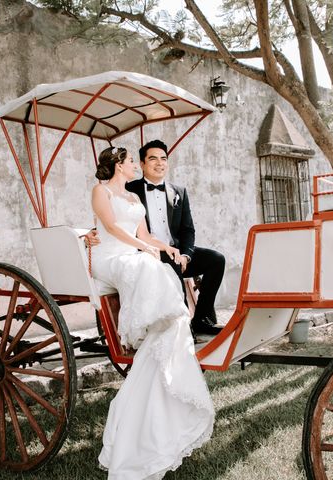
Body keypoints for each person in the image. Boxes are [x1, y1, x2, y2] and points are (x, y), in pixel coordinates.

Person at [90, 146, 214, 479]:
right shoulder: (100, 191)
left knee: (158, 267)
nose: (135, 166)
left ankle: (166, 330)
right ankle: (144, 326)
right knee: (147, 267)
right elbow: (114, 229)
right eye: (132, 162)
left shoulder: (134, 199)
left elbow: (145, 235)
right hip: (111, 257)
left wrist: (166, 247)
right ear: (119, 165)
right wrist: (146, 249)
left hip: (134, 252)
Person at [126, 139, 226, 335]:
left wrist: (187, 255)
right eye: (153, 159)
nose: (159, 163)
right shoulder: (130, 190)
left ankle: (201, 319)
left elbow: (188, 230)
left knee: (216, 260)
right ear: (142, 164)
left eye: (163, 159)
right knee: (171, 265)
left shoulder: (179, 191)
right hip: (148, 252)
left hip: (178, 252)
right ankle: (180, 329)